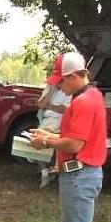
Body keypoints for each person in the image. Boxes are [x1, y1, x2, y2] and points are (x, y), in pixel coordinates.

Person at [29, 52, 106, 222]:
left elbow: (75, 143)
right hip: (79, 171)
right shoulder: (90, 96)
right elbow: (74, 137)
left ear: (75, 76)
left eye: (62, 81)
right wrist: (53, 138)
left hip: (80, 175)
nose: (59, 86)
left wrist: (46, 141)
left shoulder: (83, 102)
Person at [36, 55, 71, 188]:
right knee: (36, 138)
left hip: (61, 119)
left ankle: (58, 170)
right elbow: (41, 105)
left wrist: (50, 106)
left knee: (48, 137)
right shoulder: (51, 87)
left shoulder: (71, 91)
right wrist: (51, 90)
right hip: (48, 118)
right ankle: (45, 171)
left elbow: (65, 110)